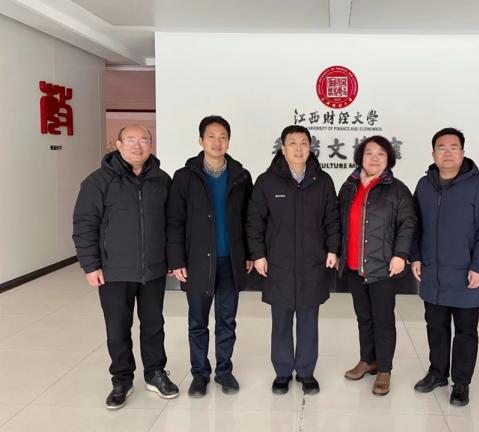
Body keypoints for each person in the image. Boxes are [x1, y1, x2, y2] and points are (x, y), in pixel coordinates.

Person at [72, 125, 179, 410]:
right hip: (113, 270)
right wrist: (90, 265)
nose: (137, 145)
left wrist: (172, 259)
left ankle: (155, 373)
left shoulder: (161, 180)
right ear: (118, 144)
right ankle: (121, 379)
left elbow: (172, 224)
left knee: (154, 324)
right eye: (130, 140)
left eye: (144, 140)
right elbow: (84, 224)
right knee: (118, 327)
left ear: (150, 145)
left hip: (153, 269)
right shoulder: (98, 182)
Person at [246, 125, 340, 395]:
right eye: (293, 143)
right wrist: (258, 255)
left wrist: (332, 249)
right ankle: (283, 372)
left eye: (304, 143)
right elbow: (255, 222)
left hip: (313, 262)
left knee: (309, 320)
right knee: (281, 321)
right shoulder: (267, 181)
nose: (299, 149)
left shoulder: (323, 181)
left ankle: (307, 372)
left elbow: (332, 219)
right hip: (279, 263)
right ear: (283, 148)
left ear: (310, 148)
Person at [411, 127, 479, 406]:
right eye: (441, 148)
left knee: (465, 331)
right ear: (433, 154)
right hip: (433, 273)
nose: (447, 153)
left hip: (466, 274)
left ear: (462, 153)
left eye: (453, 148)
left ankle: (461, 383)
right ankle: (437, 373)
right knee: (435, 327)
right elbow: (414, 225)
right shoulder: (424, 185)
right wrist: (415, 256)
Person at [166, 115, 253, 397]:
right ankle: (200, 374)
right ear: (201, 140)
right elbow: (174, 221)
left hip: (230, 262)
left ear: (229, 141)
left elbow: (249, 219)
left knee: (227, 321)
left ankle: (224, 371)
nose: (217, 142)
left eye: (223, 137)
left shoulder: (241, 176)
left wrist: (250, 253)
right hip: (197, 262)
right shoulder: (185, 176)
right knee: (198, 322)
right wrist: (176, 260)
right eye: (211, 136)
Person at [337, 136, 416, 396]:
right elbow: (338, 222)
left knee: (383, 320)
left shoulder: (397, 189)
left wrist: (400, 254)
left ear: (389, 159)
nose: (374, 158)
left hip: (383, 266)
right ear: (360, 157)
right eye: (369, 153)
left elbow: (408, 223)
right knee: (364, 317)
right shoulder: (349, 187)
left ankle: (384, 369)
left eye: (381, 154)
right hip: (353, 265)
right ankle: (367, 360)